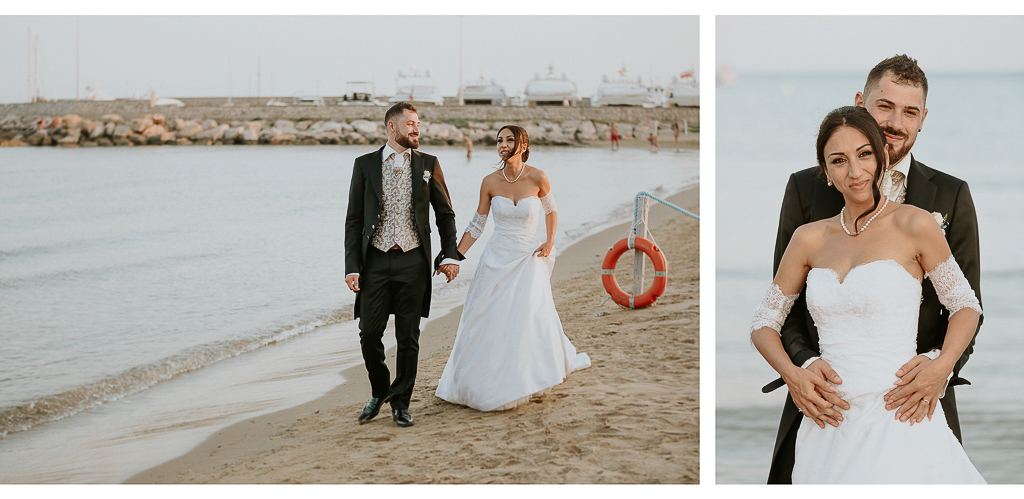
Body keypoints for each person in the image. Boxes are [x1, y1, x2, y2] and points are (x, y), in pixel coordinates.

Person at [765, 55, 982, 483]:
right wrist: (802, 368)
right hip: (824, 405)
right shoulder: (806, 188)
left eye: (910, 111)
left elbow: (967, 303)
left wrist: (939, 368)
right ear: (860, 103)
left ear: (923, 119)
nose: (896, 123)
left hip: (912, 405)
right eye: (885, 106)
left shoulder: (950, 195)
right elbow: (782, 306)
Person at [435, 125, 591, 411]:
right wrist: (453, 257)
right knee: (487, 316)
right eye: (499, 141)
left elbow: (551, 210)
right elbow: (477, 224)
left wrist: (550, 240)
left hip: (529, 257)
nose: (503, 145)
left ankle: (527, 374)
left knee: (528, 315)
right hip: (496, 258)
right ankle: (484, 378)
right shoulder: (489, 181)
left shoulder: (538, 177)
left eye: (509, 140)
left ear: (523, 145)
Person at [344, 102, 464, 427]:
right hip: (375, 262)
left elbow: (445, 214)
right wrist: (352, 265)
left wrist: (449, 254)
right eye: (410, 123)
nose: (416, 129)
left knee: (408, 337)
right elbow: (354, 220)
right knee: (369, 332)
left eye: (418, 124)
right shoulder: (365, 164)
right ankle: (380, 389)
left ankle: (400, 402)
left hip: (413, 261)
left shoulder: (428, 164)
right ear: (392, 127)